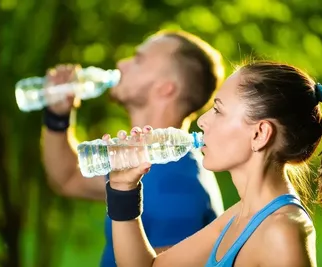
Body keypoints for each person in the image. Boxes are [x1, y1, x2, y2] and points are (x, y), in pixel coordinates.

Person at [104, 61, 322, 267]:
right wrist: (123, 188)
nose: (202, 121)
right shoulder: (241, 214)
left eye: (218, 110)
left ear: (260, 134)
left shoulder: (282, 232)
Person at [41, 30, 226, 267]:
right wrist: (57, 117)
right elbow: (67, 178)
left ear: (165, 88)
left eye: (138, 59)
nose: (121, 64)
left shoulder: (177, 182)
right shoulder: (145, 161)